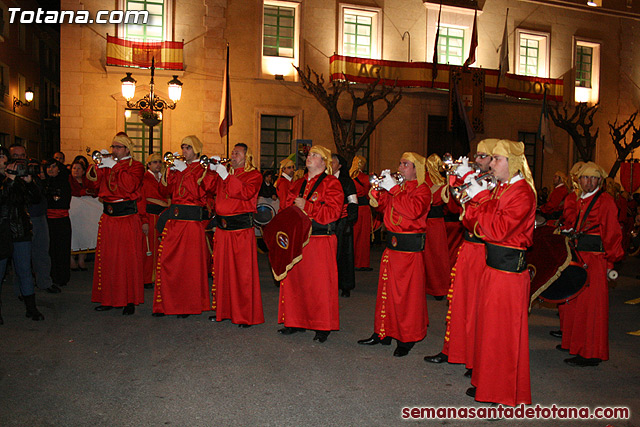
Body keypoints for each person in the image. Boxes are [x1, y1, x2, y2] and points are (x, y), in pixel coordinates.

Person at [461, 139, 536, 407]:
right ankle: (488, 382)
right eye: (491, 159)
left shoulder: (522, 193)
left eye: (497, 159)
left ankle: (501, 391)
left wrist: (480, 200)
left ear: (512, 163)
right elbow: (471, 221)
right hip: (493, 269)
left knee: (502, 334)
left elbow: (498, 229)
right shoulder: (501, 190)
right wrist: (476, 202)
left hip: (508, 274)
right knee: (489, 330)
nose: (492, 164)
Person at [424, 139, 496, 376]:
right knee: (457, 301)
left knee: (476, 304)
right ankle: (452, 349)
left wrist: (470, 182)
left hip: (484, 248)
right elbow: (455, 209)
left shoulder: (496, 185)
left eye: (484, 156)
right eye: (477, 155)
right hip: (468, 245)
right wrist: (456, 177)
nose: (478, 160)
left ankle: (474, 356)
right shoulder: (477, 179)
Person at [358, 152, 431, 357]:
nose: (400, 168)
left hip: (409, 253)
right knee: (386, 294)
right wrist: (379, 190)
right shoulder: (397, 188)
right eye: (399, 163)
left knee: (407, 298)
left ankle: (407, 337)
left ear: (416, 168)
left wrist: (394, 189)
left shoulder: (423, 190)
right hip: (392, 248)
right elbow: (382, 207)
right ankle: (383, 333)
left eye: (405, 164)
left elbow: (413, 210)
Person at [557, 162, 624, 367]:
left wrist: (610, 262)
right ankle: (577, 346)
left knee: (593, 308)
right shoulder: (579, 199)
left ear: (600, 181)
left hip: (595, 260)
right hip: (579, 256)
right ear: (579, 180)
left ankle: (591, 353)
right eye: (585, 178)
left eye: (594, 178)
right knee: (578, 305)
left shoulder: (605, 201)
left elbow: (612, 233)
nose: (589, 182)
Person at [277, 145, 343, 342]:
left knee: (319, 285)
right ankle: (295, 321)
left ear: (324, 162)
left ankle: (322, 325)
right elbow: (286, 208)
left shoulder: (332, 183)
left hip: (320, 240)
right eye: (309, 154)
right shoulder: (297, 183)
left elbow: (333, 213)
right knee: (295, 282)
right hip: (298, 239)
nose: (309, 157)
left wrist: (309, 207)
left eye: (315, 155)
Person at [153, 137, 214, 317]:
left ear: (195, 150)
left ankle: (186, 305)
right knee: (167, 262)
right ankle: (166, 303)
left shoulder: (203, 169)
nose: (184, 151)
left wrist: (184, 171)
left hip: (190, 224)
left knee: (188, 267)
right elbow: (164, 191)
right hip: (174, 221)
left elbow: (198, 193)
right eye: (182, 147)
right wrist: (170, 171)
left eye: (188, 147)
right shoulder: (180, 168)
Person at [87, 133, 145, 315]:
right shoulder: (108, 163)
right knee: (108, 258)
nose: (114, 150)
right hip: (109, 217)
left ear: (127, 149)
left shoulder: (136, 166)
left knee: (127, 259)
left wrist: (115, 166)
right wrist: (98, 165)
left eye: (118, 147)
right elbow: (94, 186)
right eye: (113, 147)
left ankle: (129, 300)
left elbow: (130, 186)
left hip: (126, 217)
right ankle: (108, 298)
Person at [209, 143, 264, 327]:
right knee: (222, 271)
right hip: (223, 230)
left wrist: (226, 176)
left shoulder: (254, 175)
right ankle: (223, 310)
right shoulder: (226, 173)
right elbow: (207, 189)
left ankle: (245, 315)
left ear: (247, 157)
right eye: (232, 152)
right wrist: (211, 170)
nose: (233, 155)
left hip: (240, 231)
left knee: (242, 274)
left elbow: (246, 193)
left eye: (237, 153)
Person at [9, 144, 61, 294]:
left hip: (39, 217)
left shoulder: (32, 176)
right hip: (19, 220)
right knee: (21, 257)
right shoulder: (9, 178)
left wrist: (32, 181)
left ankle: (44, 282)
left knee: (42, 252)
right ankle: (21, 289)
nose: (20, 159)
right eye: (16, 156)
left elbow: (38, 197)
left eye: (22, 156)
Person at [0, 148, 45, 322]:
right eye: (2, 157)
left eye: (5, 157)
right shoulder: (8, 180)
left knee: (25, 270)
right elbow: (2, 198)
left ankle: (31, 308)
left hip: (20, 229)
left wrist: (29, 182)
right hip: (2, 230)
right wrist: (9, 180)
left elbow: (36, 199)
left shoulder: (18, 178)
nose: (5, 160)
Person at [423, 154, 451, 300]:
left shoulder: (422, 181)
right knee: (437, 256)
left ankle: (428, 286)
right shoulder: (443, 182)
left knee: (424, 255)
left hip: (426, 222)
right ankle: (438, 288)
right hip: (435, 223)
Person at [331, 153, 358, 297]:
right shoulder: (324, 180)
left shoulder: (347, 182)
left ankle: (345, 285)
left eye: (333, 162)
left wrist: (349, 221)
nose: (330, 164)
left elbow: (353, 203)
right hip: (328, 222)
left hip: (342, 222)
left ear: (339, 165)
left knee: (344, 254)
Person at [141, 153, 169, 289]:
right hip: (150, 216)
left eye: (160, 162)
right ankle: (147, 278)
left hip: (163, 216)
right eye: (155, 162)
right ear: (149, 165)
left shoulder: (164, 178)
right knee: (149, 248)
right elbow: (141, 200)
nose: (158, 164)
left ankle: (159, 276)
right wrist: (144, 220)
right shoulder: (144, 179)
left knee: (162, 248)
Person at [44, 159, 72, 288]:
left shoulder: (64, 183)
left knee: (61, 249)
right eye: (48, 166)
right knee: (48, 249)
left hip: (61, 221)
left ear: (59, 168)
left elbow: (62, 202)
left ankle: (61, 277)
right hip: (47, 221)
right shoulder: (43, 183)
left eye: (54, 166)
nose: (51, 169)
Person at [68, 159, 99, 271]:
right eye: (74, 168)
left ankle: (81, 259)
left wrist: (90, 192)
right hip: (74, 214)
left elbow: (95, 191)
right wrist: (82, 192)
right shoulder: (68, 181)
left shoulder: (87, 181)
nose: (76, 171)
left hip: (85, 215)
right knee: (74, 235)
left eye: (79, 168)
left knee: (84, 234)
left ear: (83, 171)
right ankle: (71, 259)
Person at [349, 155, 373, 271]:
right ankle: (362, 262)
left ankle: (350, 261)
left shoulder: (349, 178)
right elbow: (370, 194)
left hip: (352, 208)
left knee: (353, 235)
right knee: (363, 237)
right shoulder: (365, 178)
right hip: (364, 209)